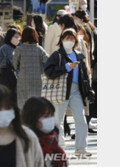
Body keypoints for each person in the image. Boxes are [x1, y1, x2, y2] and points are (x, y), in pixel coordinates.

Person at [44, 28, 95, 156]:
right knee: (58, 121)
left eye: (72, 38)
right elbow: (48, 71)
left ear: (76, 41)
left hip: (76, 91)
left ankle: (80, 148)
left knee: (81, 119)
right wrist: (66, 67)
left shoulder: (79, 55)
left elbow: (84, 76)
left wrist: (88, 91)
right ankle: (59, 148)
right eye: (66, 38)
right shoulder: (57, 55)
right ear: (61, 40)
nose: (69, 41)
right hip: (61, 91)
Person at [21, 97, 68, 167]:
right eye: (46, 116)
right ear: (32, 118)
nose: (50, 119)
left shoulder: (53, 142)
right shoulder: (24, 144)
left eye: (52, 115)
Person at [13, 26, 49, 109]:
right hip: (37, 79)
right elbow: (47, 61)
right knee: (36, 103)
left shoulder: (19, 49)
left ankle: (24, 120)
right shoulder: (39, 49)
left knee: (23, 104)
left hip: (23, 79)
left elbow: (14, 65)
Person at [0, 28, 21, 100]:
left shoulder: (18, 48)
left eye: (18, 37)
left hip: (16, 78)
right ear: (10, 37)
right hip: (6, 77)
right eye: (16, 37)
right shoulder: (4, 48)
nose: (18, 39)